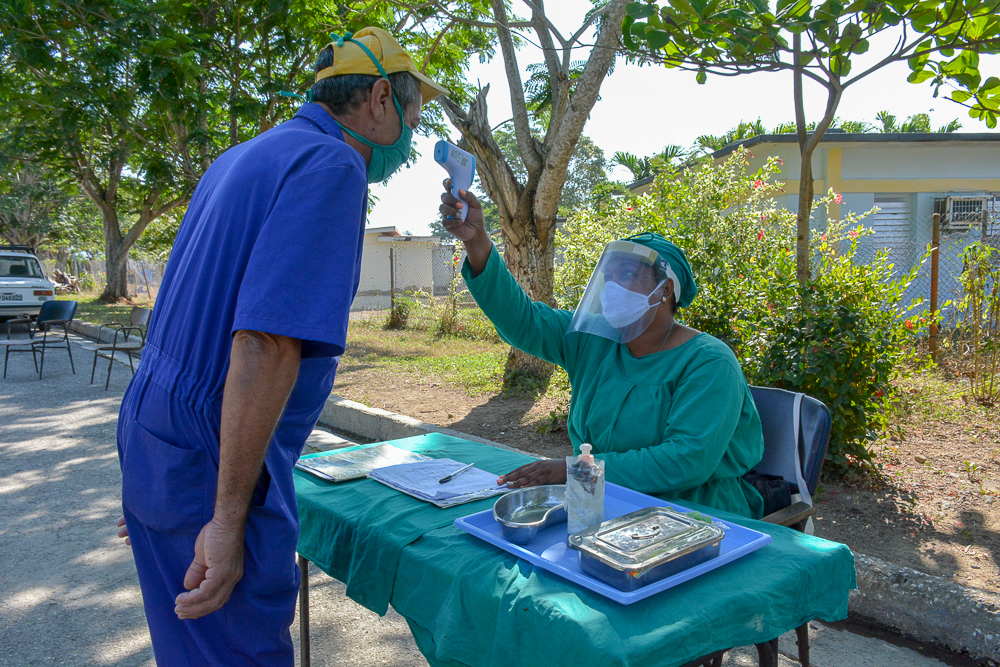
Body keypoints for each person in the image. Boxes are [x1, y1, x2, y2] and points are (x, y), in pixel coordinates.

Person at [114, 28, 447, 665]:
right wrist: (227, 516)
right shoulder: (332, 165)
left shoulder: (243, 157)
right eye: (415, 112)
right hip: (213, 460)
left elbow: (179, 322)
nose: (413, 131)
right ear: (380, 98)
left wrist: (151, 479)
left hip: (160, 448)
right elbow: (265, 344)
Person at [439, 185, 765, 519]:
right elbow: (521, 319)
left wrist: (576, 471)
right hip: (600, 502)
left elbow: (686, 460)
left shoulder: (709, 361)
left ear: (666, 289)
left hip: (696, 513)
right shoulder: (591, 338)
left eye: (626, 275)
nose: (611, 289)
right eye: (607, 278)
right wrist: (476, 240)